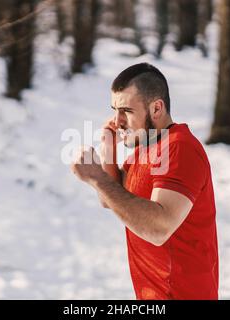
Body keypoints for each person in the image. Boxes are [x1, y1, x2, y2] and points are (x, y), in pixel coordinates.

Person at [71, 63, 218, 300]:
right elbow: (112, 198)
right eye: (114, 110)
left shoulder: (180, 148)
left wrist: (97, 177)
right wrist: (108, 148)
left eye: (126, 111)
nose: (117, 121)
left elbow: (159, 228)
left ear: (157, 108)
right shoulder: (146, 149)